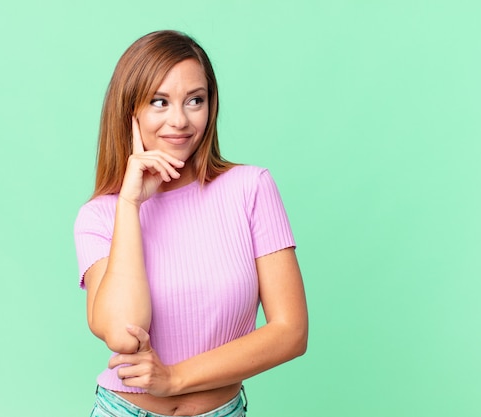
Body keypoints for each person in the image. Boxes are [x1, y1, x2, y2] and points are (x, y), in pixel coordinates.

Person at [74, 30, 308, 417]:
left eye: (194, 100)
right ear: (131, 111)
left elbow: (291, 332)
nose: (179, 121)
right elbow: (123, 334)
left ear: (210, 106)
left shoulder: (251, 189)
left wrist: (175, 378)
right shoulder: (99, 215)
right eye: (159, 102)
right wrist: (130, 205)